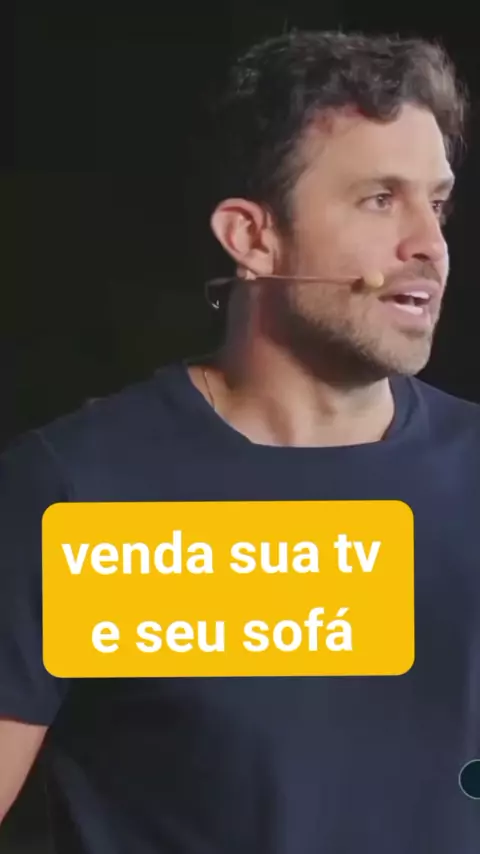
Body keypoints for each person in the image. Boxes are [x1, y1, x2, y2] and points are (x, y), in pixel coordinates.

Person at [1, 28, 479, 854]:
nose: (428, 247)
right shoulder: (82, 492)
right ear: (253, 238)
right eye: (379, 199)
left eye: (435, 204)